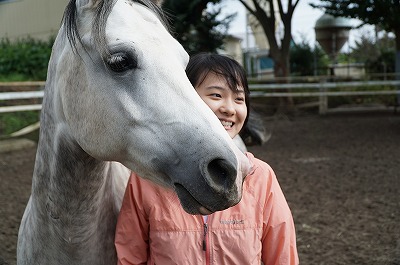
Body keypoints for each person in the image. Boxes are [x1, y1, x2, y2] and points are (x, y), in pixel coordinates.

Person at [115, 53, 299, 265]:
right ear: (184, 100)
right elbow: (130, 256)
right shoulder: (147, 179)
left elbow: (282, 257)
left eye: (239, 99)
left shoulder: (261, 177)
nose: (230, 109)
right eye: (216, 96)